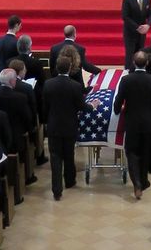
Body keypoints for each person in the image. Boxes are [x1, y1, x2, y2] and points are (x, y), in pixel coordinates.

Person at [43, 56, 98, 200]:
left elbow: (45, 106)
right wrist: (93, 105)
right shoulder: (75, 86)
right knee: (69, 154)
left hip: (54, 125)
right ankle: (69, 180)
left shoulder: (48, 84)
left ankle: (56, 190)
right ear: (69, 68)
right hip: (70, 125)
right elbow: (82, 106)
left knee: (55, 157)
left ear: (56, 67)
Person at [113, 52, 151, 199]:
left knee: (131, 151)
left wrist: (116, 110)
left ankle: (137, 183)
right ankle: (143, 180)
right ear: (146, 63)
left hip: (132, 121)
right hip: (148, 121)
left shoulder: (126, 80)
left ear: (134, 63)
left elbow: (119, 99)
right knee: (145, 151)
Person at [120, 0, 151, 69]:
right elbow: (125, 16)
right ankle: (128, 72)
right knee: (130, 54)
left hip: (142, 32)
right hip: (130, 32)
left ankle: (140, 70)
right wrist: (137, 27)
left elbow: (150, 14)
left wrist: (148, 25)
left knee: (140, 52)